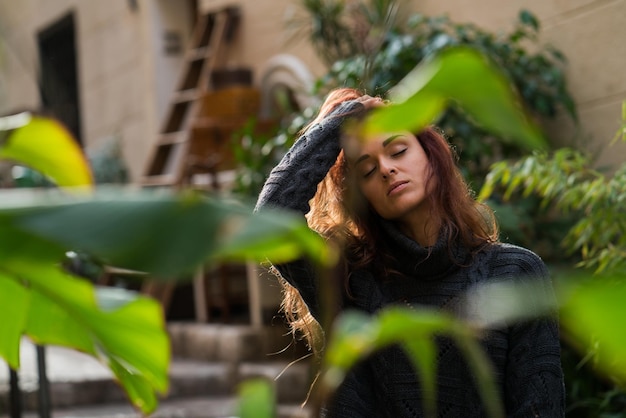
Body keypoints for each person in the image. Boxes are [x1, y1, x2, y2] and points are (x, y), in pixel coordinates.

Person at [255, 88, 565, 417]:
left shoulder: (515, 273)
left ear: (432, 155)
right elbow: (272, 217)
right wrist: (343, 116)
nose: (387, 169)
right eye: (368, 171)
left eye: (398, 151)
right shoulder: (349, 280)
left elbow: (539, 408)